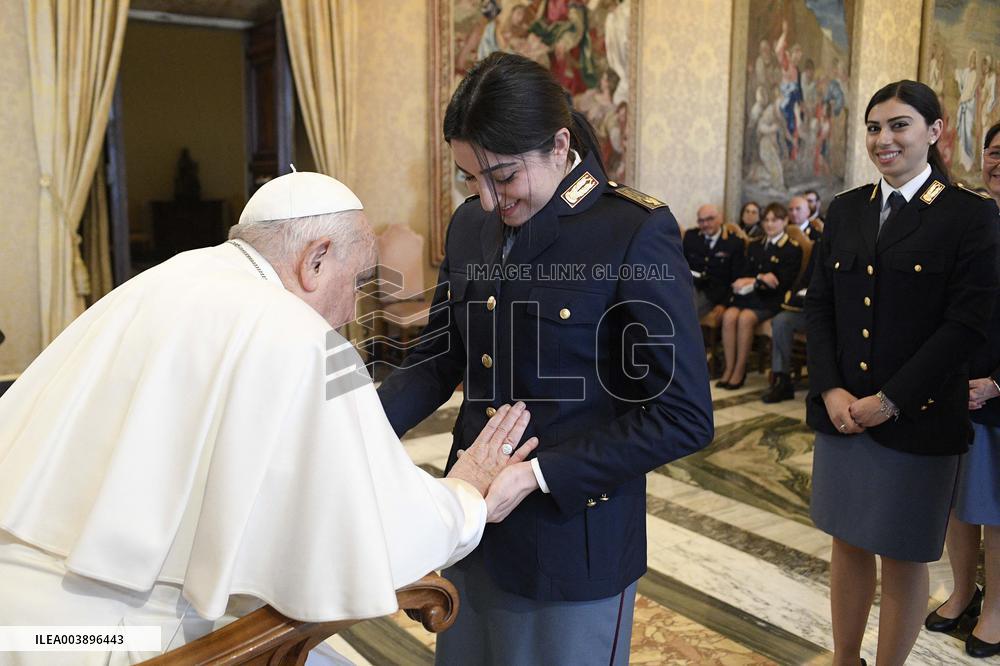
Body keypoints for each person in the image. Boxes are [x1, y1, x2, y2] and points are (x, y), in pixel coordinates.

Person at [0, 172, 539, 665]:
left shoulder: (168, 275)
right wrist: (465, 498)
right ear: (316, 258)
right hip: (107, 638)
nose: (353, 311)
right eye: (357, 283)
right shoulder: (299, 335)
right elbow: (377, 528)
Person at [377, 52, 713, 666]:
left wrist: (537, 475)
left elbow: (683, 416)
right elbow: (438, 357)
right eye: (469, 179)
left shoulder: (631, 230)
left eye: (502, 177)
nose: (486, 200)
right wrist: (357, 429)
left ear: (559, 146)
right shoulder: (469, 227)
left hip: (571, 540)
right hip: (472, 526)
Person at [806, 81, 999, 665]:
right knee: (847, 543)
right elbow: (820, 306)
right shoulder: (847, 209)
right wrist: (830, 387)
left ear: (934, 131)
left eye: (898, 125)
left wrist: (891, 400)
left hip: (918, 418)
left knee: (902, 554)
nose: (883, 139)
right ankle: (845, 659)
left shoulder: (969, 215)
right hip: (844, 413)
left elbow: (965, 325)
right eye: (873, 127)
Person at [925, 121, 1000, 659]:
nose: (999, 163)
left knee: (995, 509)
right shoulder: (971, 219)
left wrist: (996, 384)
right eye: (994, 152)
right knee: (956, 502)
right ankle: (963, 591)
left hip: (997, 392)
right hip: (956, 385)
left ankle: (997, 608)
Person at [716, 202, 802, 390]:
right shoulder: (755, 245)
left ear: (785, 221)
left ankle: (740, 370)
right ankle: (729, 368)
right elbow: (744, 274)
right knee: (729, 316)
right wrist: (760, 278)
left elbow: (781, 283)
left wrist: (754, 280)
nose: (769, 224)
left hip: (771, 300)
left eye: (774, 220)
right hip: (749, 297)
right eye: (766, 220)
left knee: (745, 318)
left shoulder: (791, 248)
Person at [683, 203, 745, 318]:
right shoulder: (691, 237)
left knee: (686, 312)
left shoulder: (734, 243)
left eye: (710, 219)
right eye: (701, 221)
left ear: (720, 218)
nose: (705, 224)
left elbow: (736, 278)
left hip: (713, 294)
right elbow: (680, 265)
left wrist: (724, 303)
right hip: (688, 287)